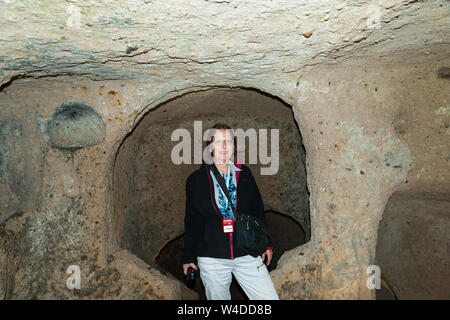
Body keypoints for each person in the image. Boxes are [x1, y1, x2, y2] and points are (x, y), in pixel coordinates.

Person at [182, 123, 279, 300]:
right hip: (212, 258)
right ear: (210, 148)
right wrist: (188, 256)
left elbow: (257, 209)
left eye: (228, 141)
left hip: (246, 251)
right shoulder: (196, 180)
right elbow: (192, 221)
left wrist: (266, 243)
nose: (224, 146)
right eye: (218, 142)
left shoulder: (244, 173)